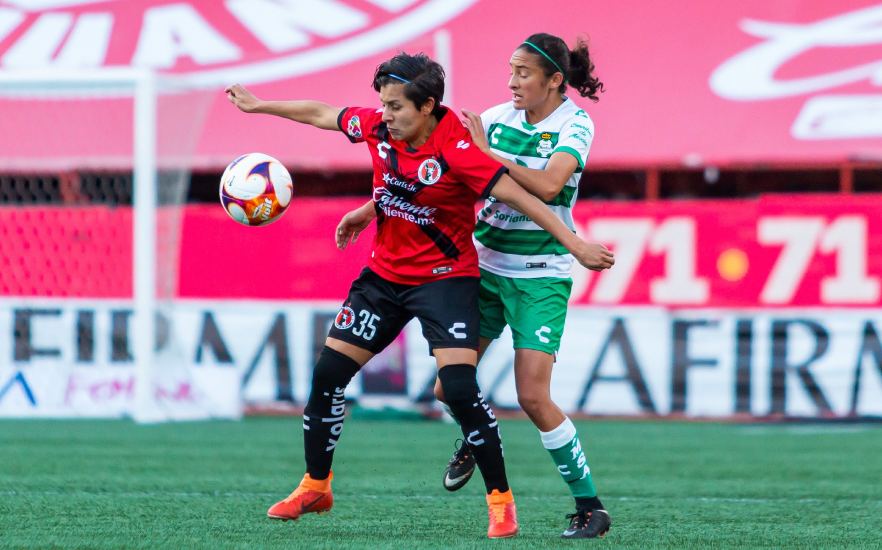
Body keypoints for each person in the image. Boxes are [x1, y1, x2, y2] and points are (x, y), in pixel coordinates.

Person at [224, 51, 614, 539]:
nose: (384, 116)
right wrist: (260, 107)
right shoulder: (386, 126)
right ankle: (315, 485)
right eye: (383, 105)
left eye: (395, 108)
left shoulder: (460, 146)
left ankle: (502, 504)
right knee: (328, 374)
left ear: (427, 106)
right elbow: (323, 114)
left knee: (461, 390)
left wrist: (575, 244)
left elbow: (522, 195)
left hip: (445, 280)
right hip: (384, 278)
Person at [433, 33, 612, 539]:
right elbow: (444, 175)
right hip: (484, 271)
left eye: (524, 73)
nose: (512, 81)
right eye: (510, 70)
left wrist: (488, 155)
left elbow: (552, 185)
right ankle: (478, 432)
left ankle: (590, 507)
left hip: (540, 279)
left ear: (556, 80)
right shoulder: (494, 117)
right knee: (448, 387)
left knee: (533, 397)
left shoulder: (575, 124)